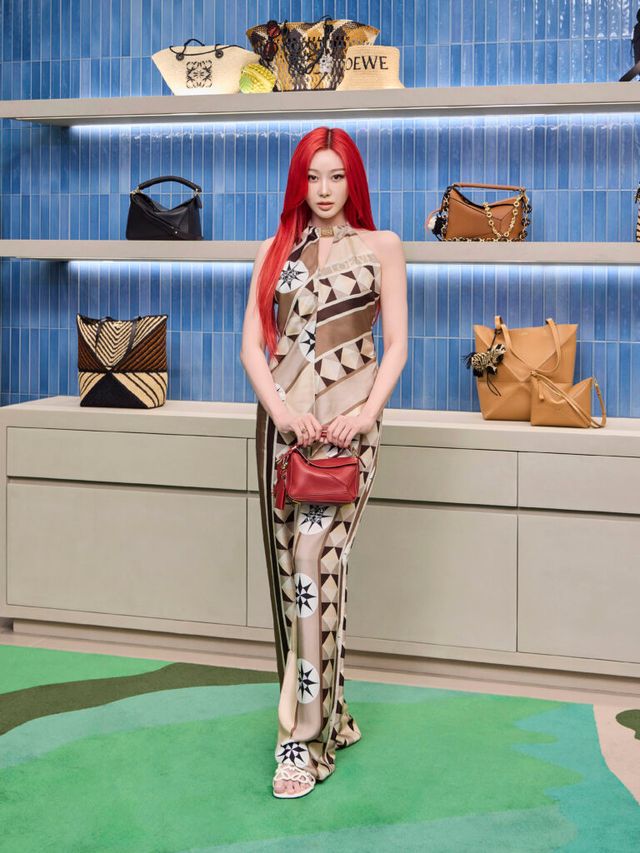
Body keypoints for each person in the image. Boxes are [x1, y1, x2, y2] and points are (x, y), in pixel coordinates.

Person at [240, 126, 407, 798]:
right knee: (296, 579)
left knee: (315, 561)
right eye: (314, 177)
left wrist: (364, 414)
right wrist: (284, 414)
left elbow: (396, 346)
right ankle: (333, 712)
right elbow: (252, 348)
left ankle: (301, 741)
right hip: (286, 438)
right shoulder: (275, 250)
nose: (325, 189)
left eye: (337, 176)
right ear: (299, 183)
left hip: (348, 437)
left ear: (353, 181)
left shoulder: (382, 247)